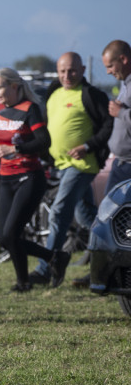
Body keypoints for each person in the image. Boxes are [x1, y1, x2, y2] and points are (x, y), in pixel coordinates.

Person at [29, 52, 113, 286]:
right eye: (63, 71)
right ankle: (115, 253)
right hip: (61, 165)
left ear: (83, 70)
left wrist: (88, 146)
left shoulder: (91, 95)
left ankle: (46, 268)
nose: (67, 75)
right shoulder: (53, 94)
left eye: (73, 70)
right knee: (86, 216)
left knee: (58, 213)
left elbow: (108, 125)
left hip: (82, 165)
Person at [0, 68, 56, 292]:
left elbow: (44, 141)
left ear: (14, 86)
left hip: (29, 177)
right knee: (6, 238)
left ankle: (30, 275)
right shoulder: (0, 110)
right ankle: (29, 278)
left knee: (10, 233)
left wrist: (15, 148)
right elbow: (0, 144)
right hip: (6, 178)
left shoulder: (30, 109)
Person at [102, 40, 131, 193]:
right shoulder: (124, 83)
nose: (108, 72)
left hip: (128, 165)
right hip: (121, 163)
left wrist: (120, 113)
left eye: (110, 66)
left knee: (110, 213)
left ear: (123, 59)